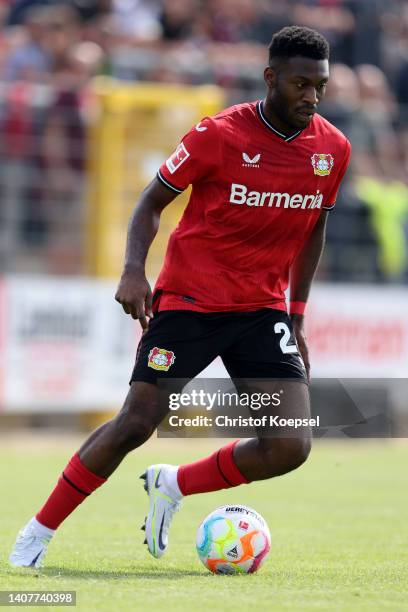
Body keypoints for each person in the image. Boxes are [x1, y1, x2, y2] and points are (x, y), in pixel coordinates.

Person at [9, 25, 351, 567]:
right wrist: (133, 272)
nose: (311, 96)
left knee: (290, 446)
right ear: (271, 78)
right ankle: (37, 533)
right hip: (190, 302)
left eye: (320, 86)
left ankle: (173, 485)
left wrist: (298, 316)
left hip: (261, 310)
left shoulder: (332, 150)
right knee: (136, 423)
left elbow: (314, 231)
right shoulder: (219, 134)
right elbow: (150, 201)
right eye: (300, 84)